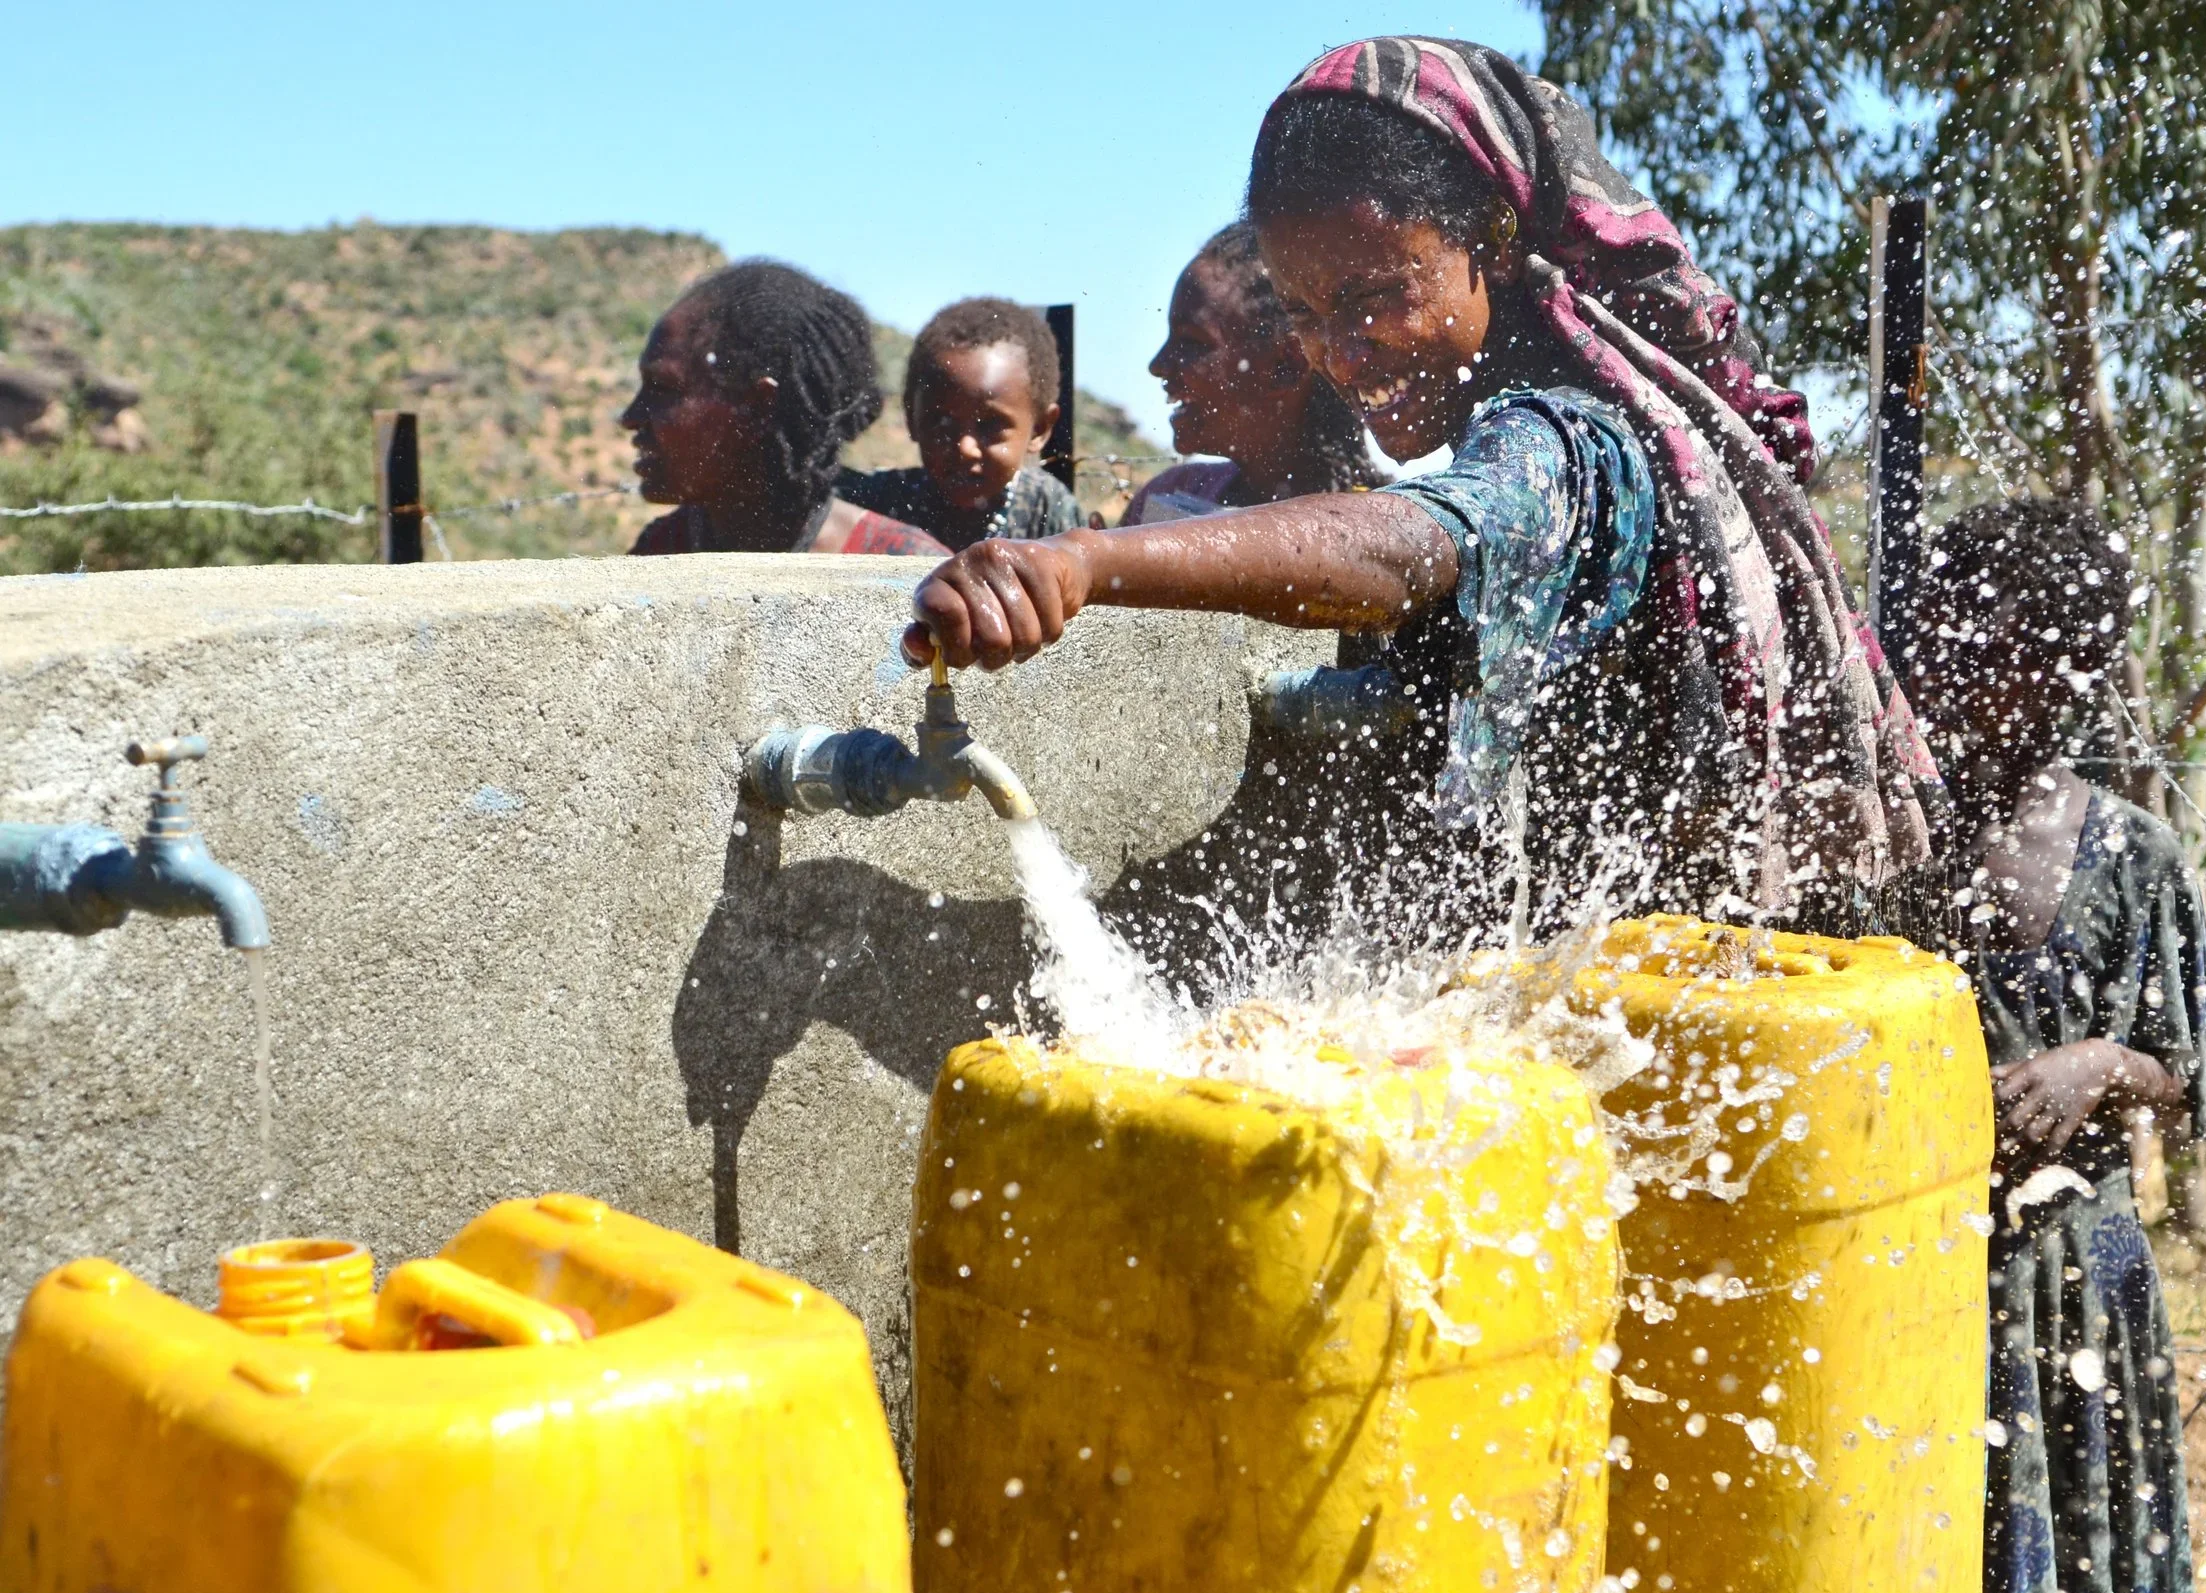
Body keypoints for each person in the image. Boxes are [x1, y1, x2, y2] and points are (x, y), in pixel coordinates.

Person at [906, 37, 1933, 938]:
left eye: (1374, 296)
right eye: (1306, 316)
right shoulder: (1558, 410)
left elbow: (1414, 545)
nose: (1343, 356)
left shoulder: (1575, 439)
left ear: (1491, 237)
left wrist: (1086, 563)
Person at [1893, 498, 2206, 1593]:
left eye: (2022, 652)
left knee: (2082, 1573)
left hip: (2077, 1279)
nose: (1984, 677)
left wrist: (2101, 1063)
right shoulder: (1893, 835)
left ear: (2073, 666)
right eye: (1965, 643)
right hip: (1919, 1270)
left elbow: (2193, 1082)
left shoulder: (2137, 856)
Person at [623, 260, 945, 558]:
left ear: (757, 408)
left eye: (663, 389)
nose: (631, 418)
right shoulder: (661, 549)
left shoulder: (906, 569)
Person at [1125, 220, 1386, 524]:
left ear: (1286, 365)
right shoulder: (1174, 492)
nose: (1158, 364)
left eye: (1191, 342)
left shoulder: (1369, 529)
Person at [839, 298, 1083, 551]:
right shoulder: (880, 501)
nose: (965, 448)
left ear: (1039, 429)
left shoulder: (1048, 511)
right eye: (942, 423)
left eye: (991, 425)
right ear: (912, 420)